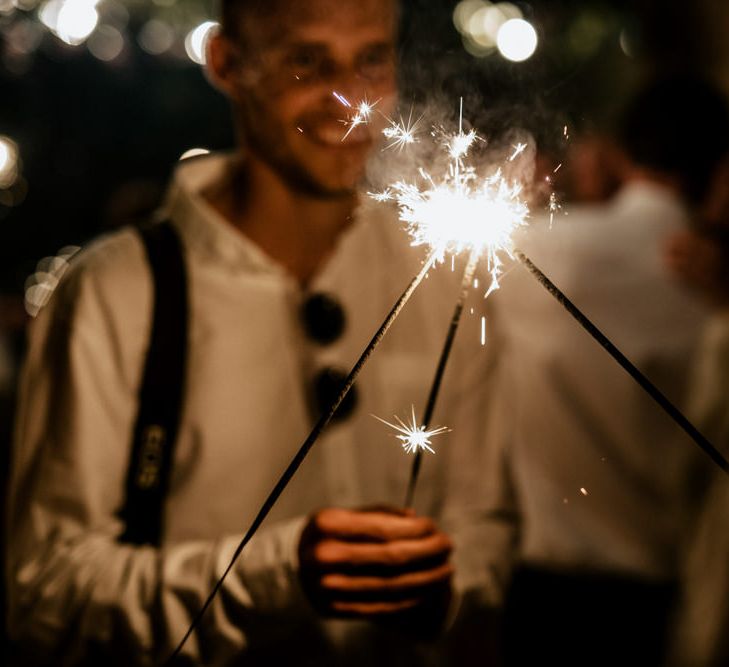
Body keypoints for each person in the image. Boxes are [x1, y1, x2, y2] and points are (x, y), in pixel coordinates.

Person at [5, 1, 513, 665]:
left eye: (370, 60)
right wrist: (276, 574)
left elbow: (484, 529)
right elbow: (46, 595)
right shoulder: (112, 293)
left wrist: (446, 590)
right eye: (306, 60)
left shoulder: (444, 281)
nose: (348, 100)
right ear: (226, 61)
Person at [486, 75, 729, 665]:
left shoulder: (526, 252)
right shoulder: (711, 289)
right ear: (719, 168)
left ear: (623, 151)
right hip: (662, 607)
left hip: (538, 595)